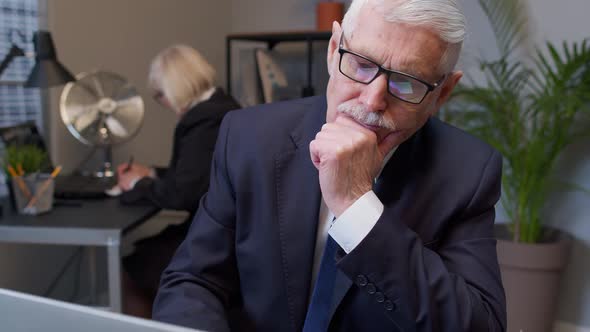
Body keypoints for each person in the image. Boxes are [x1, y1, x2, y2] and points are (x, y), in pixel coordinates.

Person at [152, 0, 506, 331]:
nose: (372, 100)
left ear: (441, 94)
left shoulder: (467, 172)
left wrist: (357, 207)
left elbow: (479, 324)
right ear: (333, 49)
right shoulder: (249, 138)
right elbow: (194, 280)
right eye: (362, 64)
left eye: (405, 82)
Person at [116, 44, 240, 318]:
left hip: (215, 235)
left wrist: (138, 185)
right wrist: (150, 174)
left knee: (133, 266)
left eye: (160, 95)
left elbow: (182, 194)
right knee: (142, 253)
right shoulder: (222, 107)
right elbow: (196, 175)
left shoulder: (204, 121)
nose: (163, 102)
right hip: (227, 227)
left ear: (174, 87)